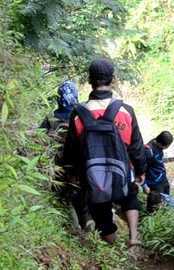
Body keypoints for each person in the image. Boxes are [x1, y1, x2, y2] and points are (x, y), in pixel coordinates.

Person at [62, 59, 147, 248]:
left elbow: (72, 149)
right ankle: (133, 237)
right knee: (130, 197)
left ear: (89, 79)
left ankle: (115, 248)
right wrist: (141, 170)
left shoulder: (78, 113)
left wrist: (72, 173)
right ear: (113, 79)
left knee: (99, 210)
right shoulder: (126, 111)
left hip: (92, 175)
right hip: (122, 172)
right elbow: (136, 146)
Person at [39, 81, 89, 229]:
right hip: (81, 164)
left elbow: (39, 141)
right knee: (82, 197)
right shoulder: (83, 116)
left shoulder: (50, 118)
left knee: (63, 198)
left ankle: (73, 227)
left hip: (58, 167)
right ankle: (86, 225)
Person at [142, 131, 173, 195]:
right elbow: (140, 168)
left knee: (166, 198)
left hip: (162, 177)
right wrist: (144, 185)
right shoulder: (148, 151)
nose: (165, 148)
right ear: (160, 143)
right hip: (154, 182)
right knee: (157, 202)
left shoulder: (158, 144)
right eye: (165, 147)